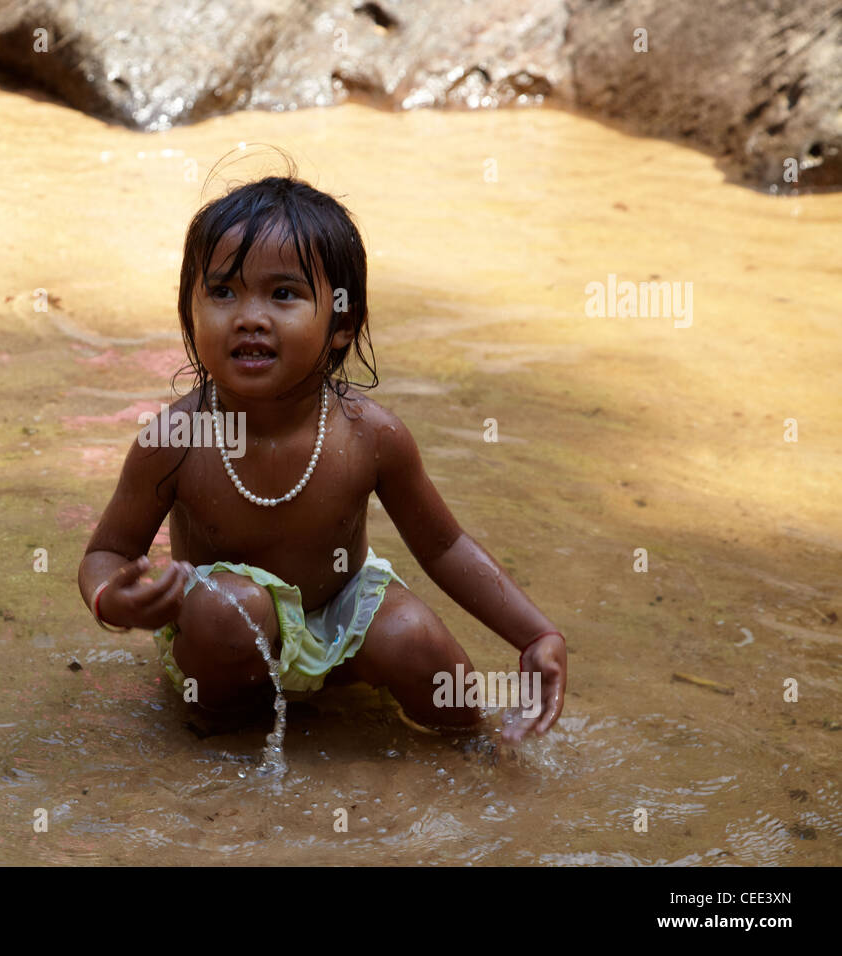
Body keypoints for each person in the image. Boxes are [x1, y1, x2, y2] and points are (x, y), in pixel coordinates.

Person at [77, 172, 566, 743]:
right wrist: (115, 598)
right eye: (223, 292)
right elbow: (108, 551)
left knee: (418, 642)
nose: (249, 317)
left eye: (283, 294)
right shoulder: (176, 440)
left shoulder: (371, 436)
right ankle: (223, 739)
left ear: (342, 324)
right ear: (189, 311)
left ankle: (486, 752)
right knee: (230, 608)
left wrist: (535, 635)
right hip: (225, 646)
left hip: (341, 625)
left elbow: (444, 546)